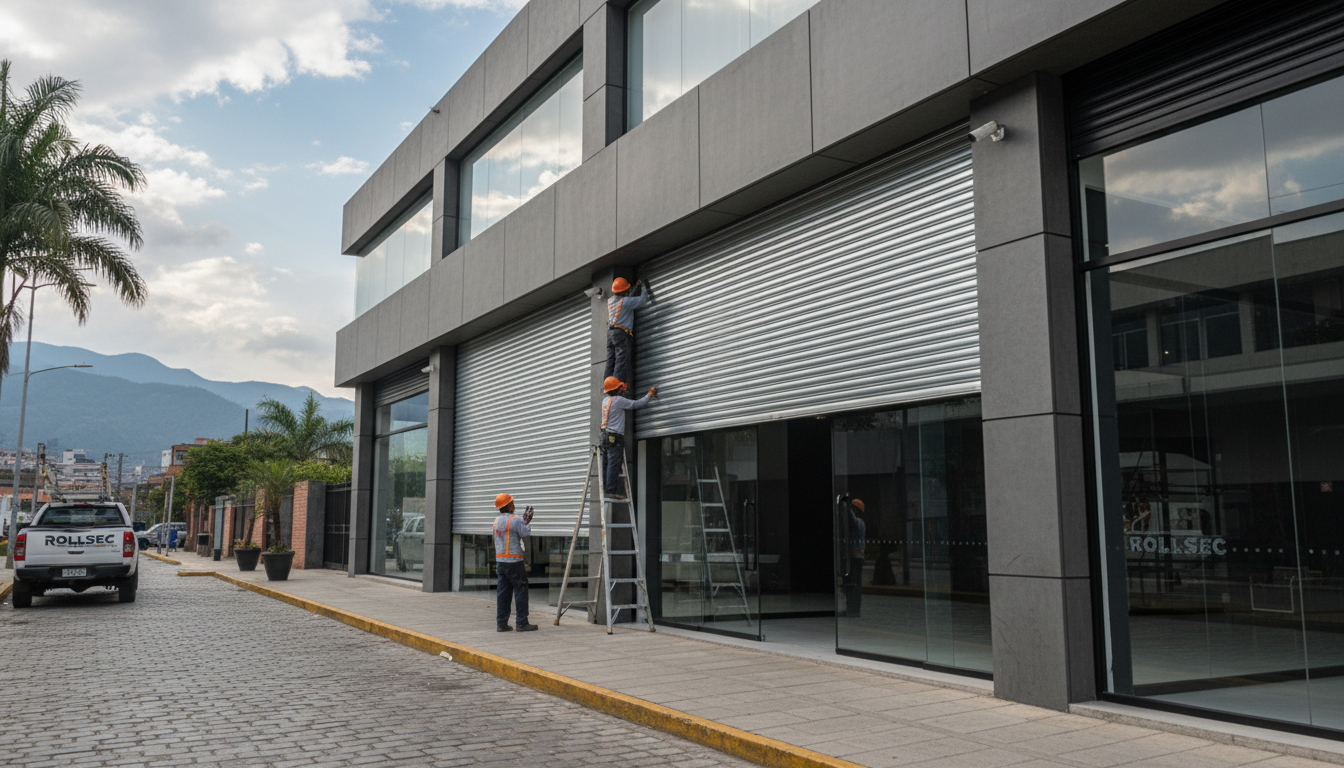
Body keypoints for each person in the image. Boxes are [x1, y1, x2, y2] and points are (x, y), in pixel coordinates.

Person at [600, 377, 657, 499]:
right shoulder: (619, 400)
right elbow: (636, 404)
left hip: (604, 435)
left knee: (606, 463)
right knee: (614, 464)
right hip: (614, 436)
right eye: (620, 388)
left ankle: (606, 488)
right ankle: (610, 490)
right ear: (616, 389)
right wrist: (649, 395)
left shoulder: (605, 401)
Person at [493, 493, 538, 632]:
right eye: (512, 503)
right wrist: (526, 522)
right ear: (510, 506)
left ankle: (501, 623)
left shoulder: (496, 521)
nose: (514, 505)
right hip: (514, 562)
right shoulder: (515, 520)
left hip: (500, 562)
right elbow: (525, 533)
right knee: (521, 590)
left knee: (503, 593)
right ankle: (522, 622)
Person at [603, 277, 649, 388]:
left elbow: (626, 300)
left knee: (610, 361)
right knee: (621, 361)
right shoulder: (626, 302)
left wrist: (634, 289)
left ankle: (606, 386)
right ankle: (615, 386)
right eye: (627, 289)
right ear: (624, 291)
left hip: (610, 333)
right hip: (621, 334)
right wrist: (643, 286)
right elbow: (643, 299)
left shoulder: (611, 301)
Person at [844, 499, 867, 618]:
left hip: (855, 557)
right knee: (857, 584)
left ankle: (852, 609)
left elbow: (851, 517)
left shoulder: (857, 522)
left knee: (853, 584)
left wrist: (846, 505)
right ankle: (855, 609)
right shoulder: (862, 523)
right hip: (859, 557)